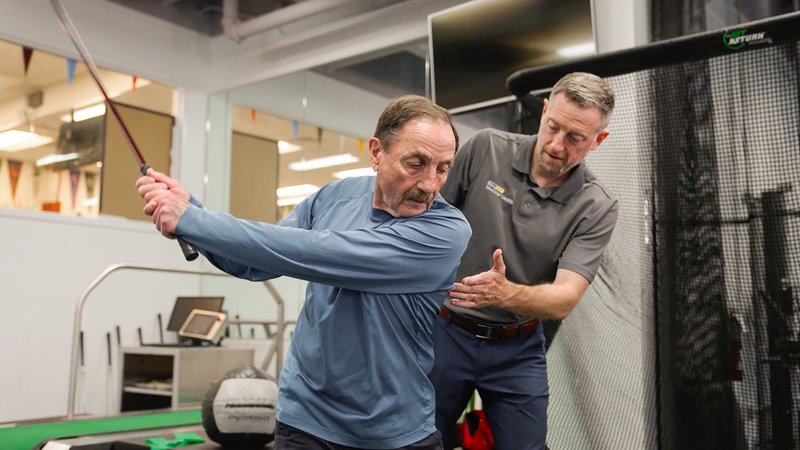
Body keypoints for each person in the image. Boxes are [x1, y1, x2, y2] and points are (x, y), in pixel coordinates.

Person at [136, 95, 472, 450]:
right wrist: (190, 213)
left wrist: (193, 219)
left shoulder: (445, 231)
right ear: (376, 152)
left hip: (394, 432)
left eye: (442, 168)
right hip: (307, 422)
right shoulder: (334, 197)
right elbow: (255, 261)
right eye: (416, 163)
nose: (431, 185)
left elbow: (313, 253)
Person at [429, 72, 618, 450]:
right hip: (445, 333)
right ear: (544, 111)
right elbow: (427, 224)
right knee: (416, 439)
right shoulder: (485, 148)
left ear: (598, 141)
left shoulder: (597, 205)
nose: (556, 145)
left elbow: (564, 299)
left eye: (575, 138)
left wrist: (504, 293)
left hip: (517, 351)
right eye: (553, 127)